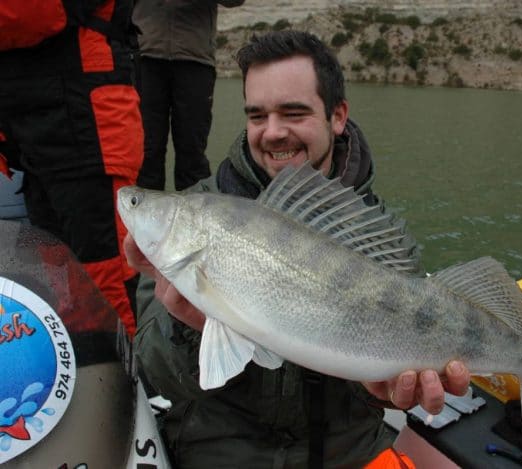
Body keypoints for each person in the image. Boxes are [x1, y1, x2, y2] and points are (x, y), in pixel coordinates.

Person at [124, 30, 472, 468]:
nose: (272, 133)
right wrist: (188, 327)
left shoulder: (379, 236)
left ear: (338, 115)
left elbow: (377, 370)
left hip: (345, 455)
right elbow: (153, 369)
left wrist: (379, 391)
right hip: (222, 452)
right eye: (256, 116)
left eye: (293, 112)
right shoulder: (191, 216)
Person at [0, 0, 144, 336]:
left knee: (104, 278)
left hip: (86, 123)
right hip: (35, 131)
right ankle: (81, 374)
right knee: (55, 279)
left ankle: (125, 382)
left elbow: (38, 11)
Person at [132, 0, 245, 191]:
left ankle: (194, 218)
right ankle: (142, 217)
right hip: (145, 58)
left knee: (192, 153)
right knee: (146, 152)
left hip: (195, 62)